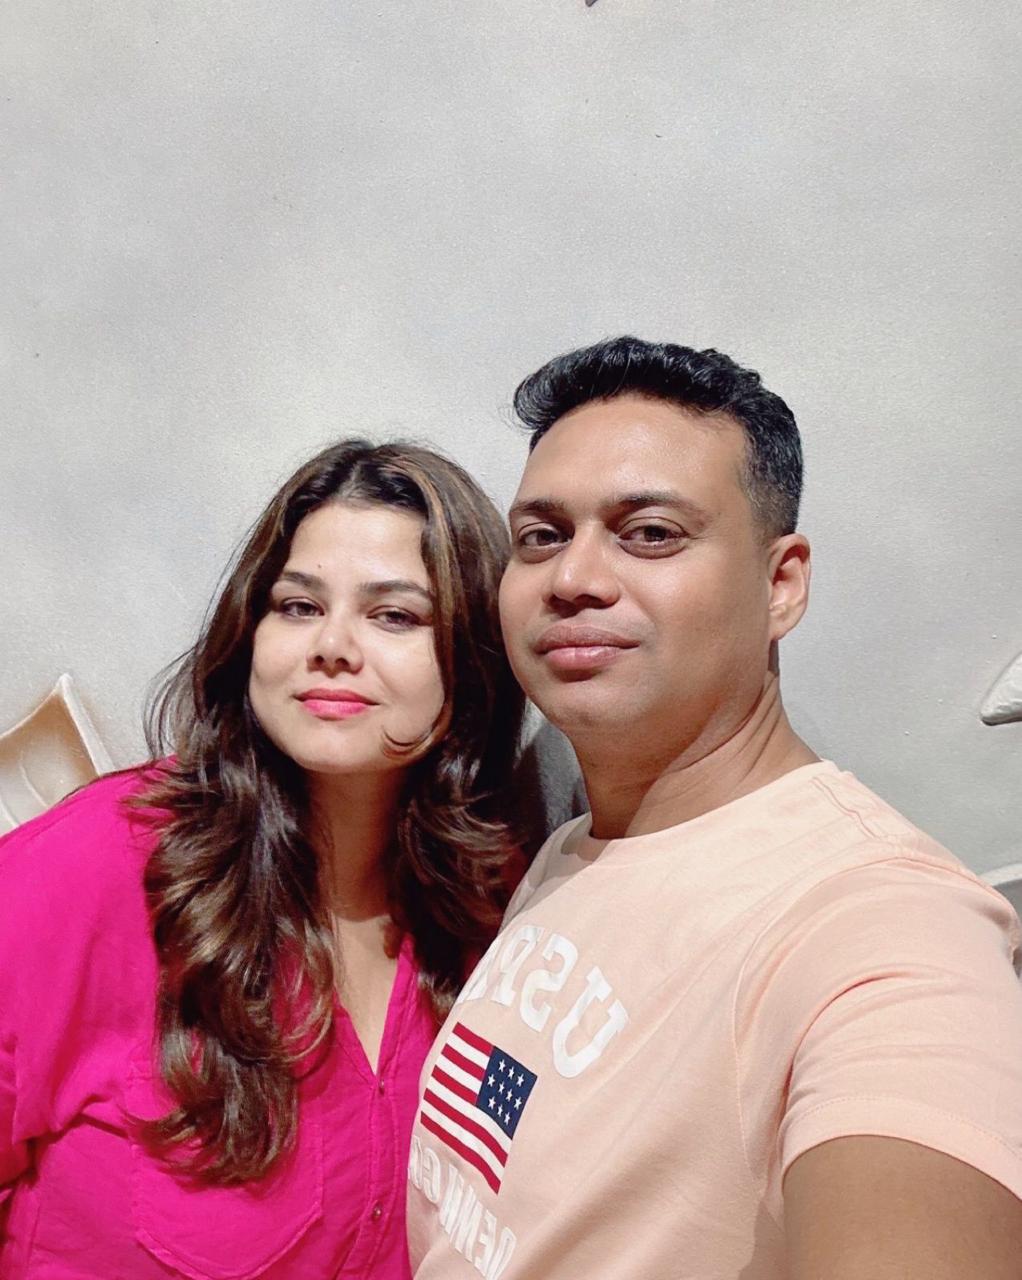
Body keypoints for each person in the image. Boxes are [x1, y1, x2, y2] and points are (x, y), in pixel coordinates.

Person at [406, 338, 1022, 1280]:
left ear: (781, 585)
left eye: (650, 533)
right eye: (541, 536)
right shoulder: (573, 847)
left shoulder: (883, 923)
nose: (573, 577)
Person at [0, 439, 524, 1279]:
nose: (333, 645)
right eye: (299, 605)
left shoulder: (497, 911)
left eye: (395, 616)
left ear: (473, 661)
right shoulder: (99, 865)